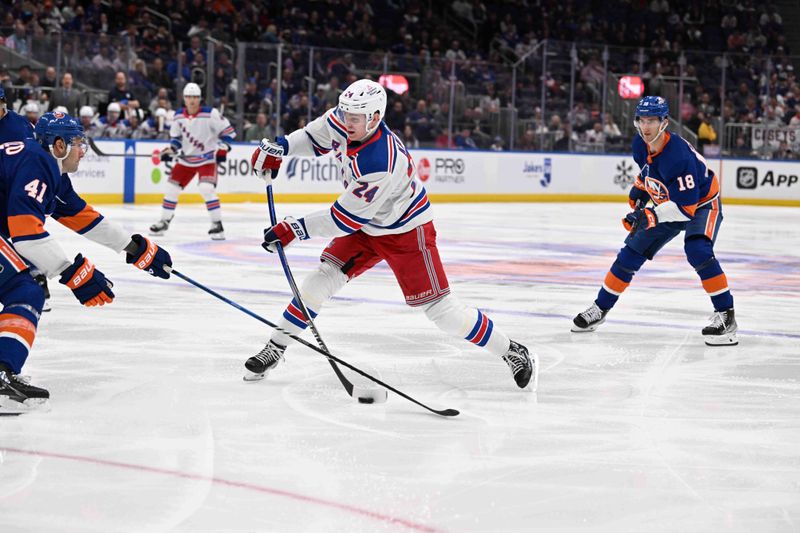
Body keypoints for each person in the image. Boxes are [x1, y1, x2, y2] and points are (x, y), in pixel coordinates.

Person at [245, 79, 536, 388]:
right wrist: (282, 146)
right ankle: (275, 347)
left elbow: (344, 219)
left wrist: (295, 229)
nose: (346, 122)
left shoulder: (380, 160)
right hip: (366, 225)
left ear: (374, 117)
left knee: (443, 313)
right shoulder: (344, 119)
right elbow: (313, 137)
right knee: (320, 279)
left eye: (355, 118)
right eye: (344, 115)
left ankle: (512, 350)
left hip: (406, 231)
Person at [0, 112, 173, 413]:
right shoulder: (37, 163)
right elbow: (25, 233)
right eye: (78, 142)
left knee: (23, 284)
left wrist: (133, 249)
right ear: (58, 145)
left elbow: (83, 217)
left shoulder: (47, 167)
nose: (83, 150)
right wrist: (71, 272)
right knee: (24, 290)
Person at [571, 96, 737, 346]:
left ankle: (726, 316)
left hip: (702, 203)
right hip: (672, 202)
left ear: (665, 122)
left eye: (652, 120)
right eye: (642, 120)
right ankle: (600, 308)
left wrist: (649, 215)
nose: (646, 126)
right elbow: (650, 170)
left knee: (697, 250)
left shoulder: (678, 156)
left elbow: (685, 209)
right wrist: (641, 188)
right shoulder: (640, 143)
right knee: (629, 254)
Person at [149, 83, 236, 240]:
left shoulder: (211, 114)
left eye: (195, 97)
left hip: (207, 160)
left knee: (206, 188)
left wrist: (223, 148)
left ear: (199, 98)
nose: (192, 100)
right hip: (186, 161)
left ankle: (217, 224)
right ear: (184, 98)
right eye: (189, 97)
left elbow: (229, 132)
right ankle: (164, 220)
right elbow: (176, 140)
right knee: (171, 189)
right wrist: (170, 151)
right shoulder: (178, 116)